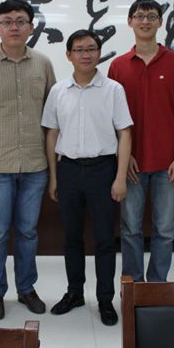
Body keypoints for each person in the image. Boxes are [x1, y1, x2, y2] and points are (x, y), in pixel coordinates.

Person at [0, 0, 56, 320]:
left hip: (35, 164)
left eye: (20, 21)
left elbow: (53, 114)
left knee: (28, 232)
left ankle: (27, 288)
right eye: (7, 21)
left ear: (31, 27)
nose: (14, 27)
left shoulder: (43, 63)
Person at [42, 29, 132, 326]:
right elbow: (52, 133)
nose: (86, 54)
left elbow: (125, 133)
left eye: (91, 49)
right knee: (72, 237)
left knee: (105, 239)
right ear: (69, 55)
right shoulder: (59, 90)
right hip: (68, 169)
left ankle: (105, 299)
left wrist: (120, 177)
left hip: (103, 170)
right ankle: (75, 293)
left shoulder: (113, 89)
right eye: (79, 50)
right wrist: (54, 177)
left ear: (99, 53)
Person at [107, 0, 174, 283]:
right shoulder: (118, 66)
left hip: (168, 164)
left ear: (160, 22)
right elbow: (112, 119)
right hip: (131, 163)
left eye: (151, 16)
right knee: (130, 228)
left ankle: (157, 285)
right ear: (130, 22)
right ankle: (133, 286)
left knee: (165, 230)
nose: (145, 21)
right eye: (139, 16)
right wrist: (125, 157)